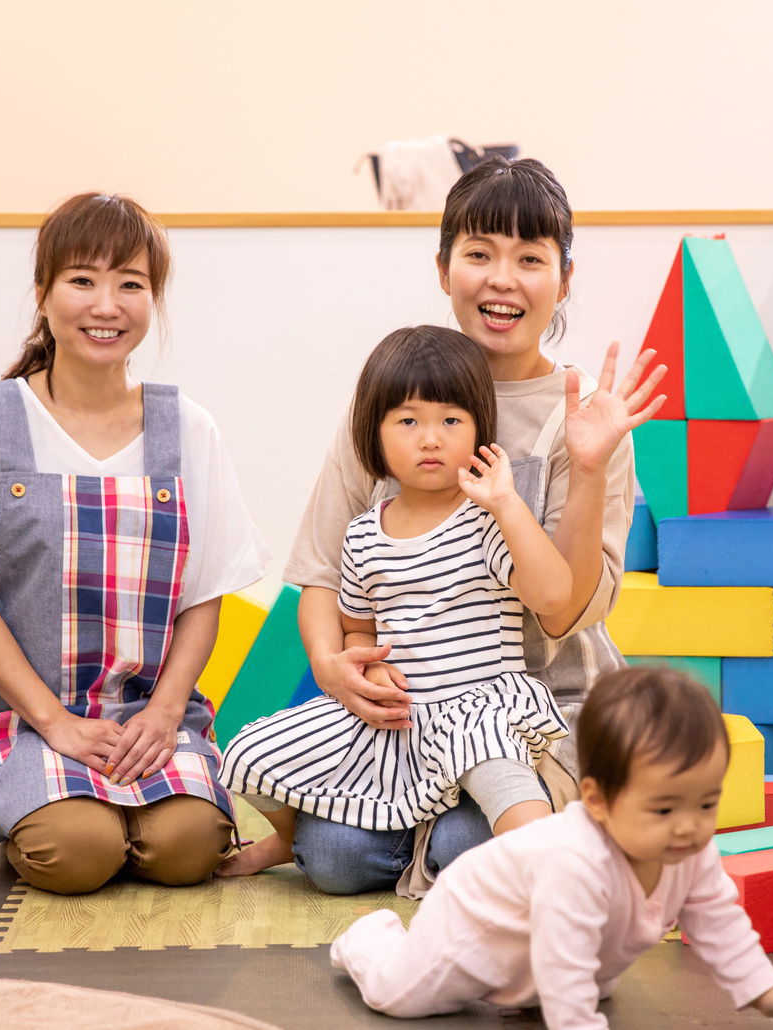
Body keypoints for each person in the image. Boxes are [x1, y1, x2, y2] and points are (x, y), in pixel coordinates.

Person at [281, 156, 667, 893]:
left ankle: (469, 834)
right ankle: (442, 833)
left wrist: (585, 469)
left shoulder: (580, 414)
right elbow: (322, 572)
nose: (502, 279)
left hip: (539, 707)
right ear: (442, 266)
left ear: (563, 277)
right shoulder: (392, 397)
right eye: (479, 254)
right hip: (409, 715)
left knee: (469, 843)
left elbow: (568, 609)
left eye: (529, 258)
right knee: (333, 857)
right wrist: (333, 668)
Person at [0, 192, 270, 895]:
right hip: (22, 718)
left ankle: (123, 802)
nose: (107, 304)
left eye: (131, 284)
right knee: (78, 853)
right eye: (82, 280)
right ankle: (44, 812)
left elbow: (205, 596)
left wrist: (160, 713)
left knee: (188, 849)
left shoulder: (186, 428)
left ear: (153, 299)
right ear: (43, 293)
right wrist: (55, 723)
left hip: (145, 717)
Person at [220, 326, 580, 878]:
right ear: (375, 433)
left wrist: (507, 503)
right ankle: (286, 838)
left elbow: (555, 594)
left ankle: (558, 874)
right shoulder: (363, 535)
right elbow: (356, 626)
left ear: (481, 429)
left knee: (501, 776)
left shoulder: (488, 520)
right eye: (409, 421)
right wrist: (367, 665)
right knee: (248, 751)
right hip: (396, 717)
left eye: (451, 421)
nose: (430, 439)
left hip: (476, 708)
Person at [329, 666, 773, 1029]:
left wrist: (764, 988)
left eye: (706, 805)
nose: (688, 827)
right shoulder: (575, 860)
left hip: (561, 944)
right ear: (596, 800)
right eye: (664, 809)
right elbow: (562, 955)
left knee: (578, 982)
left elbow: (718, 922)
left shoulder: (689, 852)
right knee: (400, 996)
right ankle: (371, 938)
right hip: (476, 926)